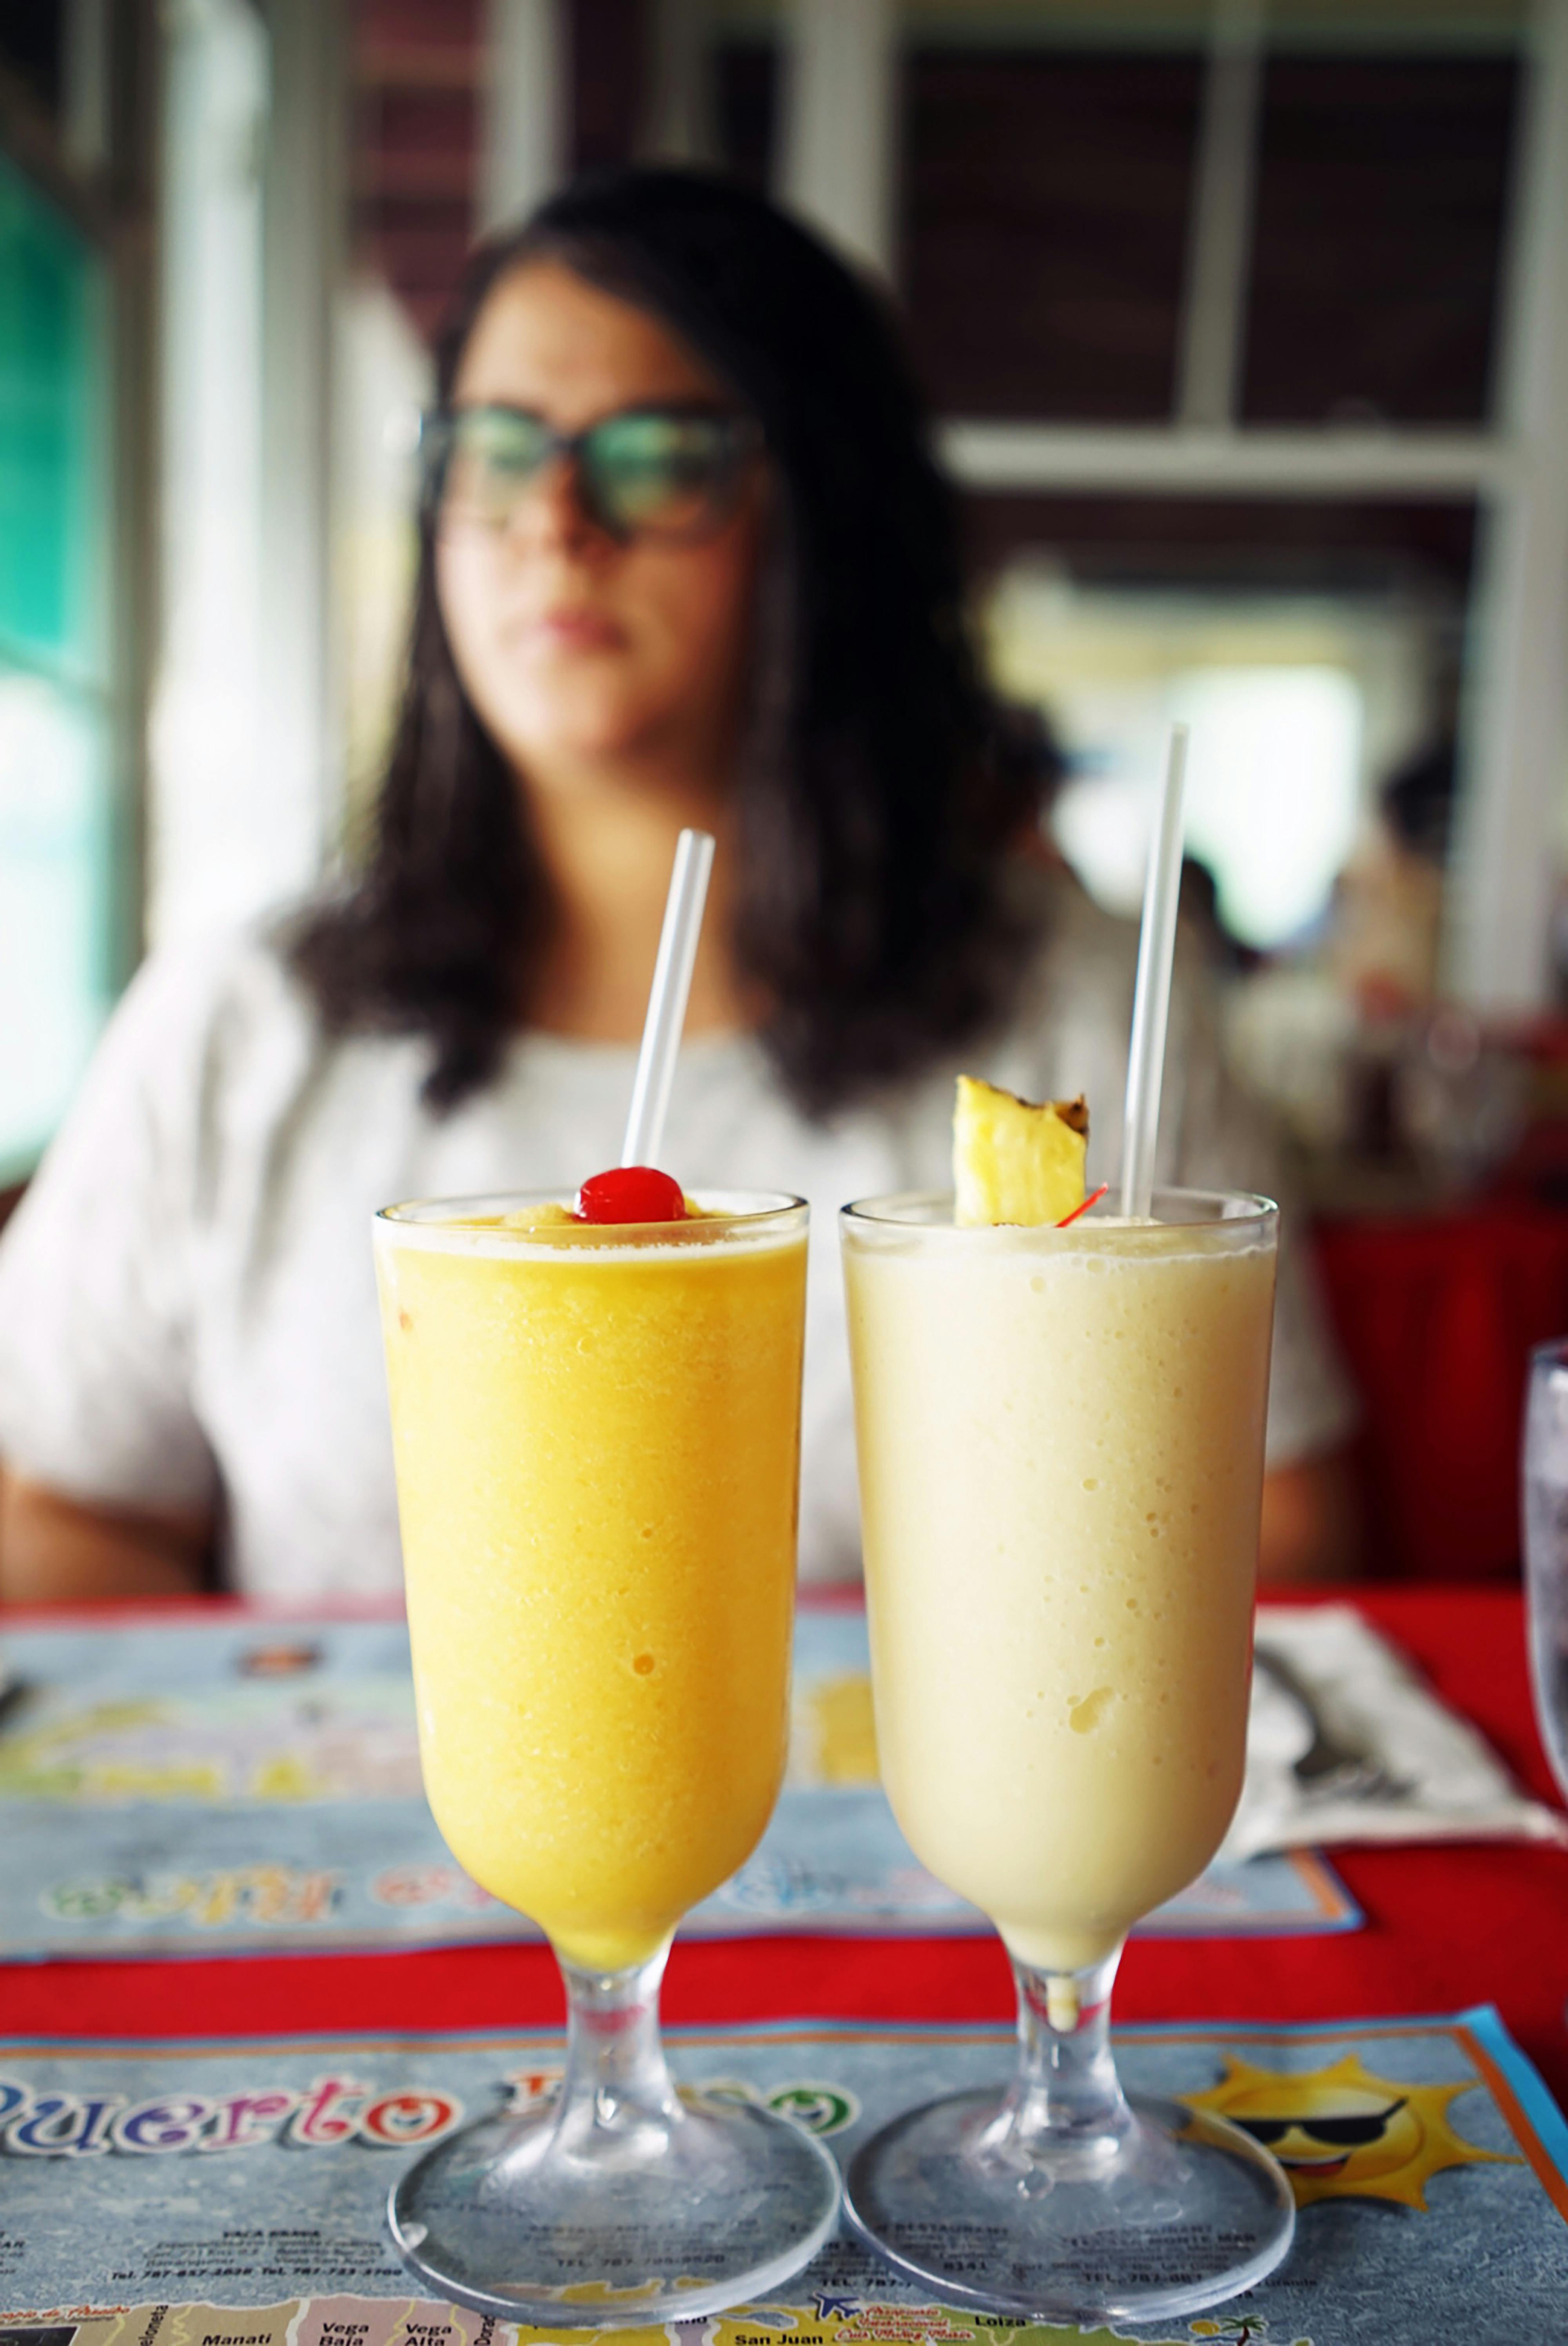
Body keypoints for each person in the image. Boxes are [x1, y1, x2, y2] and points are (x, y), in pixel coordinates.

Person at [0, 168, 1358, 1605]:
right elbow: (54, 1508)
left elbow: (1284, 1521)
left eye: (656, 456)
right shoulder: (241, 1020)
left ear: (820, 515)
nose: (560, 522)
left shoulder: (1061, 1013)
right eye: (497, 450)